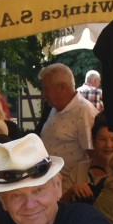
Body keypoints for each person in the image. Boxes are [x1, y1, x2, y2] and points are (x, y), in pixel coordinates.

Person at [36, 62, 95, 194]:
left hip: (68, 192)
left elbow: (93, 156)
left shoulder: (83, 111)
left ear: (62, 88)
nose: (43, 94)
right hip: (50, 189)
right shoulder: (55, 108)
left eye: (46, 89)